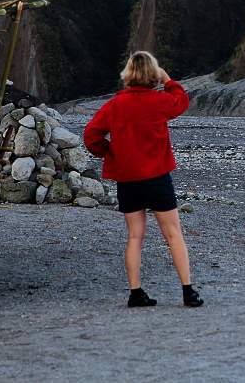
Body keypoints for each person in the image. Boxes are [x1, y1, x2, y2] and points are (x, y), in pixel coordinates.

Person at [84, 51, 204, 308]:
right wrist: (168, 79)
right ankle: (188, 292)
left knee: (135, 237)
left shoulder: (115, 105)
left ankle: (135, 292)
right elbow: (181, 101)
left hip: (128, 180)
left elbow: (91, 135)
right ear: (153, 73)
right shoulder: (159, 101)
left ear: (128, 74)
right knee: (173, 235)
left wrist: (109, 152)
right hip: (158, 178)